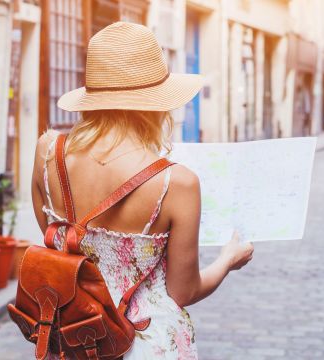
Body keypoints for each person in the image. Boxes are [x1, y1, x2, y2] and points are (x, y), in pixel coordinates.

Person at [31, 22, 253, 359]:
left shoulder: (48, 151)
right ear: (156, 103)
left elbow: (59, 242)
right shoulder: (176, 183)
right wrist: (227, 260)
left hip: (71, 337)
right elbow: (182, 291)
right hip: (144, 344)